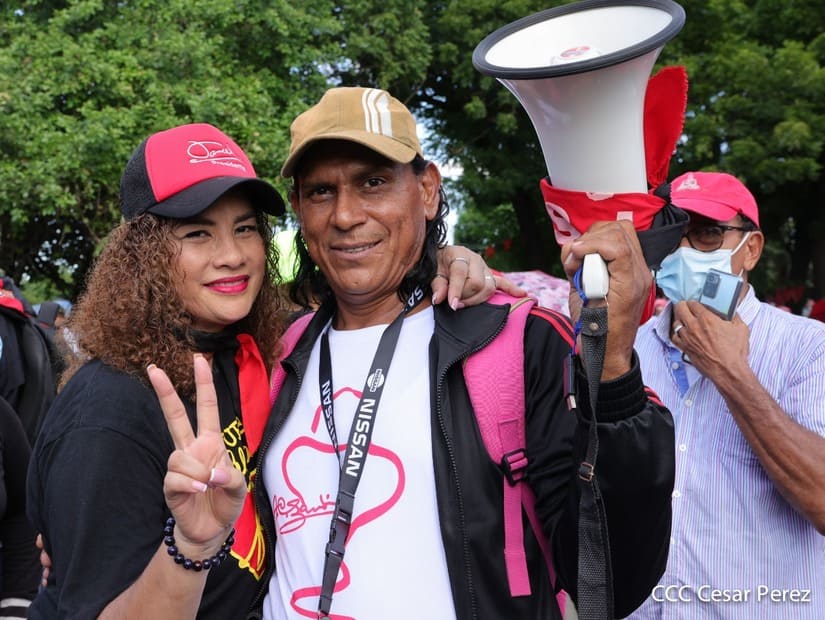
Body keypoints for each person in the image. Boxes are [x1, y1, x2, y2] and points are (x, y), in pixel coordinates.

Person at [148, 87, 673, 619]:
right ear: (301, 212)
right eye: (322, 191)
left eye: (373, 183)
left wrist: (612, 367)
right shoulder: (275, 354)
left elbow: (610, 579)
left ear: (426, 190)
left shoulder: (518, 341)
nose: (345, 215)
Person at [25, 121, 495, 619]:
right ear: (142, 256)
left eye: (245, 228)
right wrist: (190, 545)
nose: (232, 256)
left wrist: (445, 260)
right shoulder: (109, 410)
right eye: (198, 233)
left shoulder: (268, 353)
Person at [631, 171, 825, 619]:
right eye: (670, 234)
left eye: (707, 234)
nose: (683, 252)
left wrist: (731, 373)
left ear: (750, 249)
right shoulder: (632, 350)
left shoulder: (808, 347)